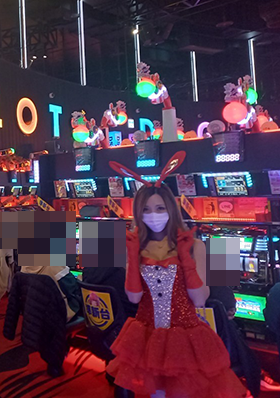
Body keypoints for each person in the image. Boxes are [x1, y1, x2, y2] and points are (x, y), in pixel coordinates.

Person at [105, 153, 246, 398]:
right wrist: (132, 257)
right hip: (146, 334)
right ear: (138, 213)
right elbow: (134, 298)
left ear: (170, 209)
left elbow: (199, 299)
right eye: (146, 210)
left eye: (160, 208)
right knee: (155, 393)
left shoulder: (194, 246)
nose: (153, 215)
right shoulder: (135, 246)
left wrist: (186, 259)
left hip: (185, 334)